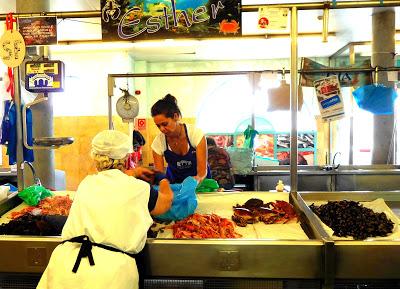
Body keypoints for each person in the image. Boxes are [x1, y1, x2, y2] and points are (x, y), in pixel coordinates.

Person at [37, 130, 173, 289]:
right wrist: (163, 179)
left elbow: (112, 181)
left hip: (67, 268)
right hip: (111, 275)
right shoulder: (139, 189)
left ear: (95, 158)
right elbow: (165, 203)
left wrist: (134, 173)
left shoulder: (86, 184)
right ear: (127, 157)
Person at [151, 94, 211, 184]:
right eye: (158, 126)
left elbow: (202, 173)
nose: (161, 129)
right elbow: (159, 174)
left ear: (176, 116)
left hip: (200, 184)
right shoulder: (158, 142)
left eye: (165, 124)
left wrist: (194, 182)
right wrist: (163, 182)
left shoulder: (195, 134)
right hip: (175, 183)